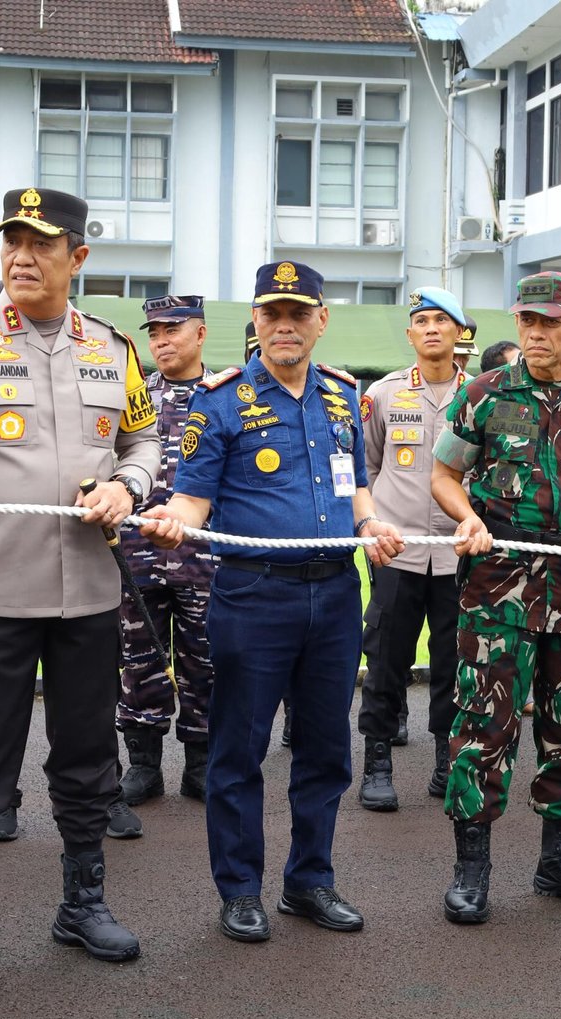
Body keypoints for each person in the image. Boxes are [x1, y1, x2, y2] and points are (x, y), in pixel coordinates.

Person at [0, 187, 160, 989]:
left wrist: (131, 486)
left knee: (87, 757)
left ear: (77, 258)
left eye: (41, 244)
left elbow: (141, 437)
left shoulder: (113, 348)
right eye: (12, 241)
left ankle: (82, 904)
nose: (21, 256)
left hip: (88, 593)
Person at [138, 260, 403, 944]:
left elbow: (358, 483)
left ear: (321, 319)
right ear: (254, 322)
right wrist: (174, 516)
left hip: (337, 594)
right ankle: (240, 889)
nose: (284, 326)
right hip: (254, 595)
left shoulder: (347, 397)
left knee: (326, 749)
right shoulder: (220, 401)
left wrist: (370, 525)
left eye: (298, 313)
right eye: (271, 314)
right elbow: (193, 497)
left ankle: (309, 880)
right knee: (238, 750)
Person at [430, 270, 561, 924]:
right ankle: (473, 867)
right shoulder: (486, 393)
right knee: (484, 723)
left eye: (550, 322)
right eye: (528, 321)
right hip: (500, 576)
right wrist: (465, 515)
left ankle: (559, 858)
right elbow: (444, 473)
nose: (536, 334)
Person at [356, 287, 468, 812]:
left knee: (454, 661)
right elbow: (368, 467)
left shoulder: (481, 396)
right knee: (385, 659)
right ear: (409, 335)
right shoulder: (382, 393)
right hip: (395, 550)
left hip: (458, 554)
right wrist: (377, 521)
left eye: (441, 320)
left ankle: (448, 758)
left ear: (458, 333)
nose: (430, 328)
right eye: (420, 320)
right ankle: (377, 761)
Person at [116, 295, 216, 807]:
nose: (161, 340)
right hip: (136, 557)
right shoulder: (132, 397)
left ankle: (200, 762)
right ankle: (143, 764)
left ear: (200, 334)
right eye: (154, 331)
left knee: (206, 660)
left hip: (204, 559)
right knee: (139, 658)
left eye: (173, 329)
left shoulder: (226, 395)